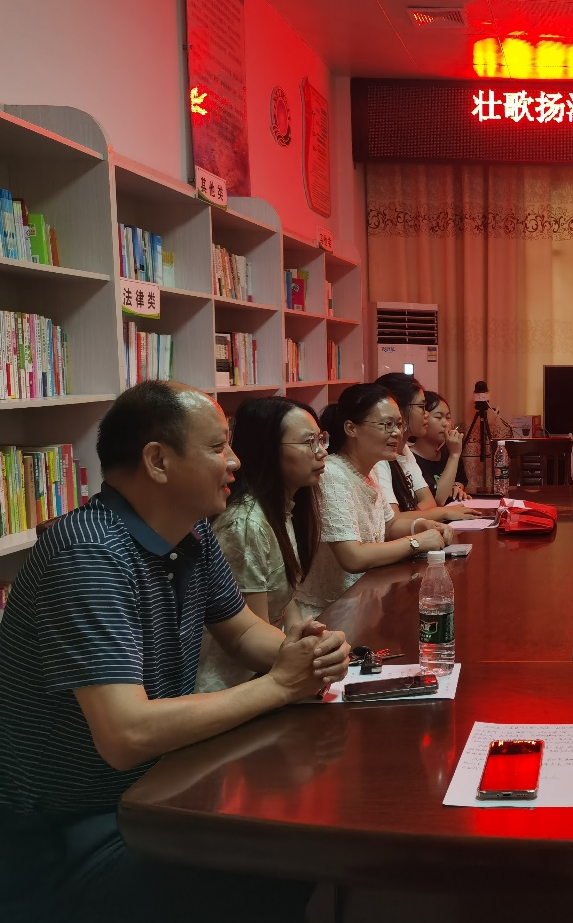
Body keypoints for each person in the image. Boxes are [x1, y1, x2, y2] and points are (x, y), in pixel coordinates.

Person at [0, 381, 350, 923]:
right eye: (217, 446)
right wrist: (281, 684)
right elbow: (126, 735)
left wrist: (304, 653)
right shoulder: (90, 554)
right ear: (158, 461)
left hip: (155, 785)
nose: (234, 461)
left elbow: (242, 632)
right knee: (283, 855)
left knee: (306, 825)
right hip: (65, 832)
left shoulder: (192, 534)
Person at [196, 396, 326, 692]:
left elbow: (286, 599)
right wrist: (310, 658)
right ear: (268, 449)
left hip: (273, 667)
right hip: (236, 683)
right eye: (309, 442)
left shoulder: (283, 508)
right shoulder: (246, 523)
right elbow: (253, 634)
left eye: (321, 439)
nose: (322, 452)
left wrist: (305, 644)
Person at [295, 383, 450, 619]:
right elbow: (352, 557)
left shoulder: (372, 469)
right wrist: (417, 542)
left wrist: (421, 526)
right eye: (387, 425)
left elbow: (389, 525)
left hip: (363, 602)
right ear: (351, 428)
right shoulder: (332, 475)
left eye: (399, 424)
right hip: (328, 612)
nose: (397, 433)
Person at [372, 373, 480, 526]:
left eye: (448, 417)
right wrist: (442, 512)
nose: (426, 414)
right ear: (400, 410)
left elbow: (430, 502)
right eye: (421, 407)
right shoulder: (379, 458)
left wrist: (411, 516)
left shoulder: (405, 450)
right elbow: (392, 520)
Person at [409, 389, 471, 502]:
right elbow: (437, 500)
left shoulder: (448, 451)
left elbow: (460, 480)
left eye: (448, 417)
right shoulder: (409, 458)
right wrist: (454, 455)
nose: (446, 424)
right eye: (438, 417)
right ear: (423, 418)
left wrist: (457, 487)